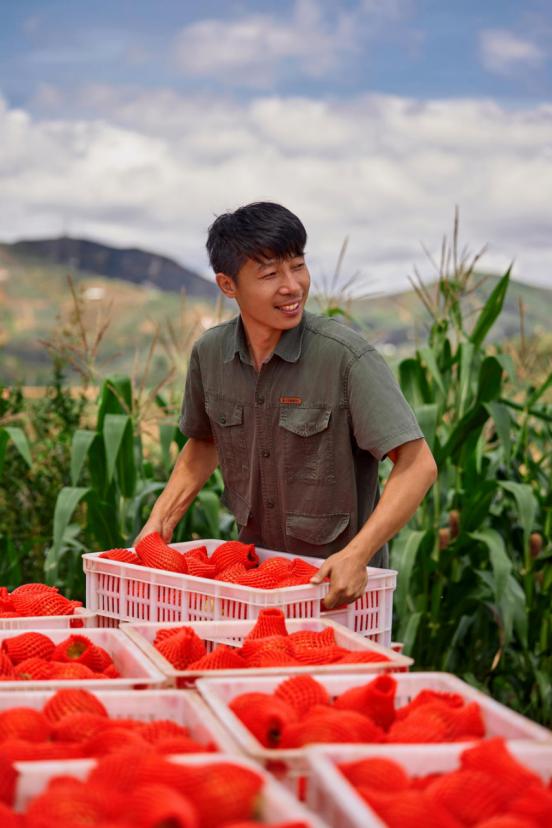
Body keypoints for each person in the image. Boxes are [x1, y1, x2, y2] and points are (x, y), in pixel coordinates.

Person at [136, 202, 437, 608]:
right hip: (252, 583)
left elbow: (417, 465)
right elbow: (204, 444)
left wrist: (357, 554)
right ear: (228, 285)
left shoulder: (346, 358)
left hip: (336, 591)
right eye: (270, 274)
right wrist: (160, 523)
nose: (292, 285)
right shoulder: (210, 354)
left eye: (297, 265)